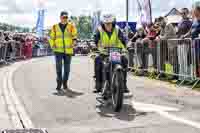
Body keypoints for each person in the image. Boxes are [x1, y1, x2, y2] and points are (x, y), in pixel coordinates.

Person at [93, 14, 130, 93]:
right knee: (97, 60)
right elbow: (95, 40)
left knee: (124, 59)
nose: (108, 25)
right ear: (103, 23)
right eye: (106, 23)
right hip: (104, 53)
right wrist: (94, 46)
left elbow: (123, 40)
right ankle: (98, 84)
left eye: (109, 23)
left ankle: (124, 84)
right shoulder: (99, 30)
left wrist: (127, 46)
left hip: (115, 52)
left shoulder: (117, 29)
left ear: (113, 23)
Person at [49, 11, 77, 92]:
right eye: (63, 17)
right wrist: (52, 45)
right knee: (58, 68)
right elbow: (51, 38)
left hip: (68, 50)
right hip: (58, 50)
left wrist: (74, 41)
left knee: (67, 69)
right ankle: (59, 83)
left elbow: (74, 36)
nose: (65, 19)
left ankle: (65, 83)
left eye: (66, 17)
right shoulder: (54, 27)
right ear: (60, 17)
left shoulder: (71, 26)